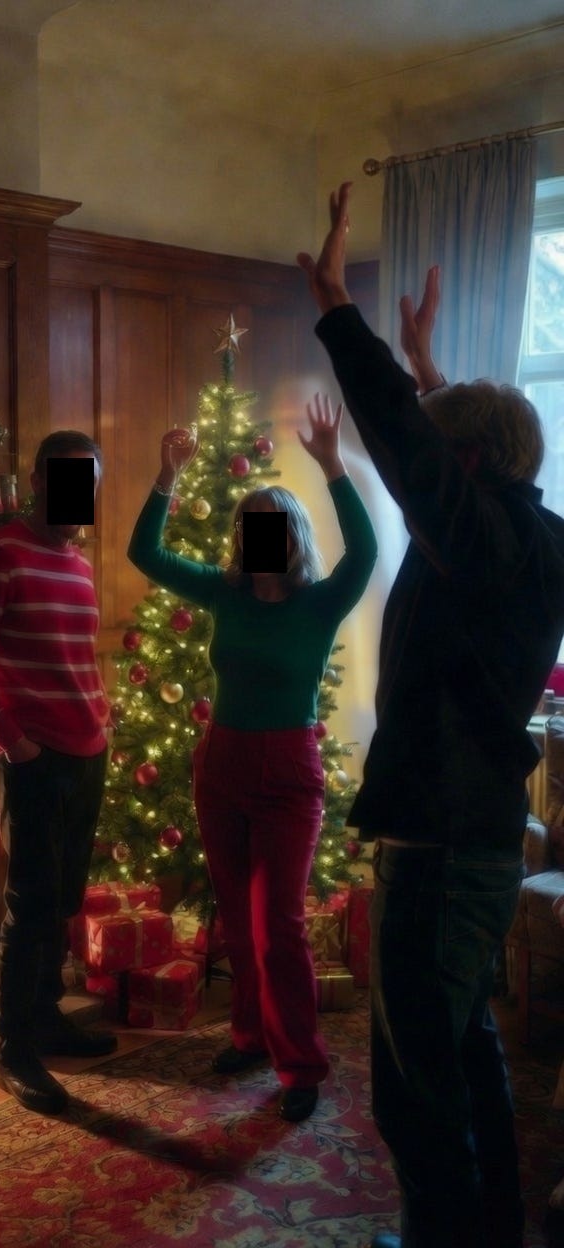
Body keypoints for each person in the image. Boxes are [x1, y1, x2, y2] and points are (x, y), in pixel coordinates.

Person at [297, 183, 564, 1248]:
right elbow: (458, 458)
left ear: (459, 468)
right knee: (460, 1053)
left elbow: (426, 460)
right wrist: (429, 372)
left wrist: (337, 315)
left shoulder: (486, 539)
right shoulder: (526, 530)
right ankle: (486, 1227)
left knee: (414, 1085)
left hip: (445, 845)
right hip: (470, 837)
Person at [127, 396, 377, 1122]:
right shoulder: (224, 592)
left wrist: (332, 465)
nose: (255, 537)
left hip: (289, 775)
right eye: (247, 527)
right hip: (223, 766)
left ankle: (300, 1065)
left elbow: (364, 553)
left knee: (279, 927)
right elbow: (145, 554)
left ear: (292, 535)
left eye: (269, 526)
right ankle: (248, 1034)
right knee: (237, 918)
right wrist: (166, 475)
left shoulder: (320, 603)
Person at [0, 431, 117, 1117]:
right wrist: (12, 742)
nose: (80, 497)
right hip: (34, 759)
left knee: (65, 898)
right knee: (33, 901)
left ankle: (44, 1016)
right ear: (39, 479)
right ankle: (12, 1047)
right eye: (69, 480)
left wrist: (101, 721)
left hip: (85, 752)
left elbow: (78, 657)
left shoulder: (77, 562)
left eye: (90, 483)